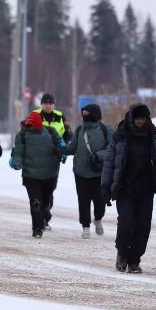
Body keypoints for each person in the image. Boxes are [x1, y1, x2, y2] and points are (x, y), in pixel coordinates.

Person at [101, 104, 156, 274]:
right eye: (137, 118)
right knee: (126, 222)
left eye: (143, 118)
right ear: (132, 118)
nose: (140, 121)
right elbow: (109, 164)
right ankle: (122, 253)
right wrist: (105, 186)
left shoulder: (153, 139)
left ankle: (134, 260)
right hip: (125, 188)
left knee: (143, 226)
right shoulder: (120, 137)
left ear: (147, 119)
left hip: (146, 190)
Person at [11, 112, 64, 239]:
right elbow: (18, 152)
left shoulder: (51, 132)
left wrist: (63, 152)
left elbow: (60, 145)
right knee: (35, 202)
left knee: (45, 202)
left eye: (33, 124)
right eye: (29, 124)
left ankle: (45, 216)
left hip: (50, 174)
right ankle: (37, 229)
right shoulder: (22, 135)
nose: (31, 127)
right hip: (31, 176)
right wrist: (17, 163)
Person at [64, 103, 114, 239]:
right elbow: (72, 148)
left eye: (87, 114)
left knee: (100, 201)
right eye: (83, 114)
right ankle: (85, 226)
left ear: (95, 114)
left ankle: (98, 219)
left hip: (99, 172)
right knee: (83, 201)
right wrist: (57, 148)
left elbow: (112, 149)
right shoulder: (80, 130)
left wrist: (99, 155)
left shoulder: (105, 129)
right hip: (80, 172)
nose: (85, 116)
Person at [33, 93, 71, 230]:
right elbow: (25, 133)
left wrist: (64, 149)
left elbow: (68, 134)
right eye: (45, 103)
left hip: (53, 157)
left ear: (53, 105)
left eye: (50, 103)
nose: (48, 106)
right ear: (41, 104)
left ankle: (45, 216)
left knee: (49, 188)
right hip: (37, 157)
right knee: (37, 188)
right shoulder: (34, 115)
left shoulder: (60, 116)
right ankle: (40, 218)